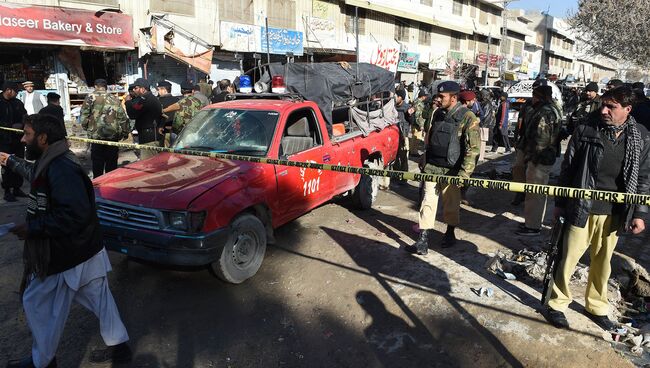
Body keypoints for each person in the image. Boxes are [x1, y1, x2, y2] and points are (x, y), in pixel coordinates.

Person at [0, 114, 132, 368]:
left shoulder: (62, 168)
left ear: (43, 138)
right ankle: (120, 348)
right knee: (100, 299)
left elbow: (74, 215)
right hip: (84, 250)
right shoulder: (52, 162)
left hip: (68, 254)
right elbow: (36, 173)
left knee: (35, 302)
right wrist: (11, 161)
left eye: (27, 134)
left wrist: (33, 228)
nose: (23, 139)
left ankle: (43, 362)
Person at [544, 86, 650, 331]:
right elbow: (568, 169)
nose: (604, 110)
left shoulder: (641, 136)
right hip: (582, 206)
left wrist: (640, 214)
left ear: (627, 109)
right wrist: (560, 204)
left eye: (611, 107)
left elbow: (643, 177)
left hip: (615, 211)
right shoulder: (586, 128)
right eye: (603, 104)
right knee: (568, 257)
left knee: (603, 262)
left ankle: (596, 306)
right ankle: (556, 304)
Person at [405, 81, 480, 254]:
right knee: (427, 202)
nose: (438, 99)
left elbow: (472, 149)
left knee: (451, 205)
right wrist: (425, 157)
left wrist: (464, 174)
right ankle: (422, 240)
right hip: (432, 167)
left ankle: (450, 233)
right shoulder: (437, 113)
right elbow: (430, 138)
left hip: (452, 171)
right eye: (437, 96)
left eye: (442, 96)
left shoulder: (468, 117)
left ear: (453, 98)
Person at [515, 85, 562, 236]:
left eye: (534, 95)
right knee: (536, 193)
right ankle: (532, 222)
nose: (532, 98)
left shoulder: (544, 112)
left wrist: (531, 157)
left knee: (535, 193)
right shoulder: (552, 108)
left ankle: (533, 226)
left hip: (539, 159)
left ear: (540, 96)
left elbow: (541, 140)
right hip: (543, 157)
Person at [80, 79, 130, 178]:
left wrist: (87, 128)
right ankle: (110, 184)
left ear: (95, 86)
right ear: (106, 87)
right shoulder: (114, 99)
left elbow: (84, 116)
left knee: (97, 163)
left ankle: (98, 185)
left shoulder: (90, 97)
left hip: (96, 136)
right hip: (112, 136)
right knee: (111, 164)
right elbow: (122, 117)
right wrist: (125, 132)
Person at [0, 81, 28, 202]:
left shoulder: (18, 103)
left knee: (19, 163)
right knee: (6, 165)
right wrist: (10, 125)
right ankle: (7, 191)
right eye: (16, 91)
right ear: (9, 90)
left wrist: (21, 125)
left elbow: (25, 116)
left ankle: (17, 188)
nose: (17, 94)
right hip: (3, 141)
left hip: (18, 140)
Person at [125, 78, 162, 160]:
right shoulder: (145, 99)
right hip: (147, 135)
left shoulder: (146, 100)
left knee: (148, 162)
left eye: (136, 88)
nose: (134, 90)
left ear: (143, 89)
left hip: (149, 137)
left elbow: (132, 114)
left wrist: (127, 102)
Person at [393, 88, 412, 182]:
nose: (395, 98)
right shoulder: (392, 106)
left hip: (404, 136)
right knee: (395, 157)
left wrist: (410, 115)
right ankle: (395, 175)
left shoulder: (407, 108)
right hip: (394, 136)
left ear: (401, 97)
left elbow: (412, 121)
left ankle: (404, 177)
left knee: (404, 157)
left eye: (397, 96)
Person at [156, 81, 180, 147]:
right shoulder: (177, 100)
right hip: (177, 132)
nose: (158, 91)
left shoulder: (158, 101)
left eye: (159, 89)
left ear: (164, 90)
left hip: (163, 132)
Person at [478, 89, 495, 162]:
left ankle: (480, 157)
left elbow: (485, 115)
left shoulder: (487, 103)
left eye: (481, 94)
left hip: (484, 124)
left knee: (482, 141)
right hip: (483, 124)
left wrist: (481, 124)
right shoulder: (484, 103)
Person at [411, 89, 429, 156]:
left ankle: (412, 150)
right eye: (425, 96)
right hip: (417, 123)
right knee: (416, 138)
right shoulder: (419, 103)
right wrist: (421, 125)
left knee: (414, 137)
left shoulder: (416, 101)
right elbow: (418, 115)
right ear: (422, 96)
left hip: (415, 122)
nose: (426, 97)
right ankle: (413, 152)